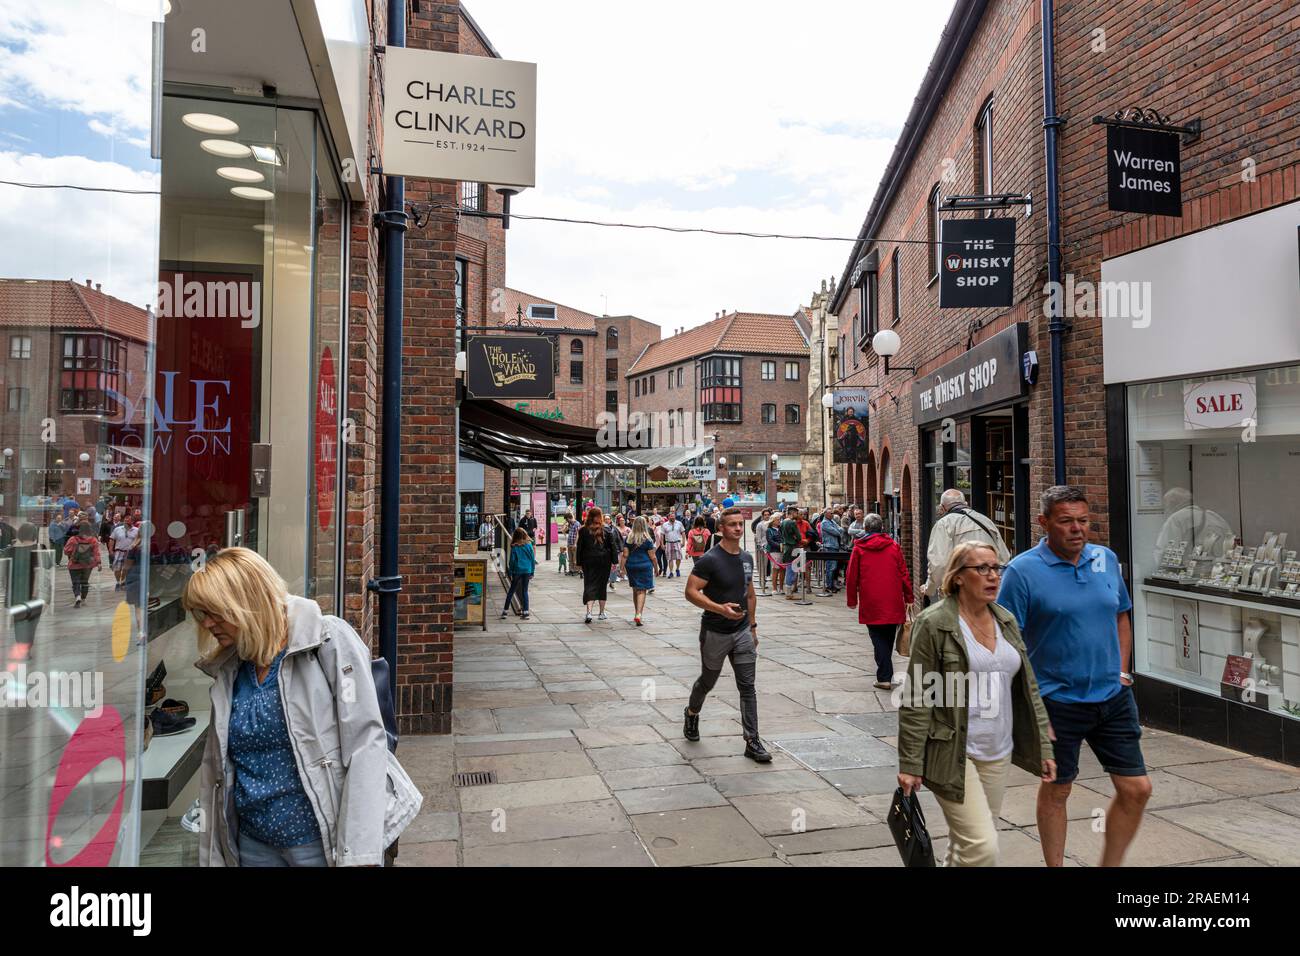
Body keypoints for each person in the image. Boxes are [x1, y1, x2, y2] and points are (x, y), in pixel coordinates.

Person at [189, 547, 392, 867]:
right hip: (253, 846)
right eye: (202, 614)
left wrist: (360, 853)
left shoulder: (327, 640)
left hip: (318, 844)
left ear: (248, 601)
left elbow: (366, 744)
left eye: (215, 611)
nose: (208, 623)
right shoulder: (230, 669)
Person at [997, 485, 1152, 867]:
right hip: (1056, 701)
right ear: (1044, 522)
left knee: (1137, 789)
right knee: (1058, 789)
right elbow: (1006, 638)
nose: (1077, 529)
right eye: (1066, 521)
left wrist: (1123, 673)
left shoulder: (1105, 559)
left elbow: (1121, 615)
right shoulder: (1022, 571)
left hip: (1113, 698)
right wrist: (1027, 702)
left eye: (1083, 520)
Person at [896, 541, 1056, 866]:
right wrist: (910, 762)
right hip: (953, 750)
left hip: (998, 749)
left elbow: (1029, 688)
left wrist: (1044, 746)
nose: (993, 576)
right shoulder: (934, 623)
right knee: (982, 847)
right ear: (957, 577)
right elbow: (916, 697)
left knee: (966, 845)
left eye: (996, 568)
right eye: (982, 568)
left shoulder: (1006, 620)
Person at [683, 507, 771, 763]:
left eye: (740, 524)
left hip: (742, 631)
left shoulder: (747, 559)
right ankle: (691, 712)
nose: (737, 528)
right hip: (715, 632)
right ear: (720, 528)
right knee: (707, 681)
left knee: (747, 687)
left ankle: (752, 741)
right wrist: (719, 608)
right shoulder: (710, 559)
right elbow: (691, 591)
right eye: (731, 524)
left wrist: (752, 627)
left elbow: (750, 594)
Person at [845, 513, 914, 689]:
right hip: (892, 600)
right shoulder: (894, 546)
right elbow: (903, 573)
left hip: (871, 600)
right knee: (888, 638)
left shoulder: (859, 548)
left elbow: (852, 576)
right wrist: (909, 597)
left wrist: (852, 599)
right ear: (881, 528)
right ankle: (885, 673)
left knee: (877, 638)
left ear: (865, 529)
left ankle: (884, 676)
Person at [925, 489, 1011, 599]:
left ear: (942, 508)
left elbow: (938, 564)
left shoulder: (944, 524)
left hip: (961, 592)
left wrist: (929, 589)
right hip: (988, 591)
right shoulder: (985, 520)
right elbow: (1004, 557)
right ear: (966, 503)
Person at [575, 506, 619, 623]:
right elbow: (612, 546)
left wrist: (578, 563)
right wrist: (615, 561)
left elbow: (579, 548)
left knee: (589, 584)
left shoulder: (583, 530)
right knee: (602, 585)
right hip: (604, 560)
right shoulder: (607, 529)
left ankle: (589, 612)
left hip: (588, 560)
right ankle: (601, 612)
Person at [620, 516, 657, 626]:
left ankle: (637, 612)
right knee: (642, 590)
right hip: (644, 566)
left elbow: (625, 555)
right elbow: (653, 556)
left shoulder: (629, 538)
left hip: (631, 566)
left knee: (635, 589)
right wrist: (656, 568)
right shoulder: (647, 539)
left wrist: (621, 568)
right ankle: (639, 614)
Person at [63, 521, 101, 608]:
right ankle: (83, 599)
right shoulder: (93, 540)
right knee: (85, 581)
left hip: (74, 564)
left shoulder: (73, 539)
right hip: (88, 565)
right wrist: (99, 563)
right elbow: (96, 553)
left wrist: (72, 554)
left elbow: (66, 551)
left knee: (75, 582)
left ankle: (77, 597)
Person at [502, 527, 535, 620]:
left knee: (511, 591)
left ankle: (505, 611)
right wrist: (532, 571)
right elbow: (532, 559)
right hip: (527, 570)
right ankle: (525, 612)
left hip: (517, 570)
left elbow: (512, 561)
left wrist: (511, 571)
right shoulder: (529, 545)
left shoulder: (515, 546)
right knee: (525, 591)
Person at [819, 508, 845, 594]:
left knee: (834, 567)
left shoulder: (831, 521)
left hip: (835, 546)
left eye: (832, 513)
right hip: (829, 547)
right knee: (830, 567)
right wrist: (838, 530)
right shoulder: (825, 523)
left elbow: (841, 529)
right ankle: (829, 586)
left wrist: (838, 530)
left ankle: (832, 585)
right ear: (826, 514)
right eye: (830, 513)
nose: (832, 514)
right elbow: (836, 532)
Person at [780, 507, 803, 599]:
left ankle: (788, 591)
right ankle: (788, 593)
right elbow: (799, 537)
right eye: (796, 513)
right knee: (791, 570)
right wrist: (796, 538)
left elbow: (781, 534)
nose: (797, 515)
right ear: (793, 513)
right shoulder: (792, 522)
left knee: (789, 569)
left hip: (786, 547)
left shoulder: (783, 522)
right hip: (792, 547)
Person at [753, 509, 773, 594]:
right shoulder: (759, 525)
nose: (767, 516)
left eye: (768, 514)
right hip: (764, 547)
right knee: (763, 565)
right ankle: (762, 581)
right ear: (762, 516)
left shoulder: (772, 523)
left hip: (772, 546)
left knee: (771, 565)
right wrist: (760, 546)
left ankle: (768, 579)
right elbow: (758, 537)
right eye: (765, 514)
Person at [661, 511, 685, 577]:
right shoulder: (665, 524)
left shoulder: (679, 523)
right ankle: (671, 572)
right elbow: (662, 535)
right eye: (671, 516)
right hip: (668, 543)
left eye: (673, 516)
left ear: (675, 517)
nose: (672, 517)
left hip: (677, 542)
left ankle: (677, 569)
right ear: (668, 517)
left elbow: (683, 533)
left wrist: (683, 541)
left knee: (679, 557)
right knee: (670, 558)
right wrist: (662, 544)